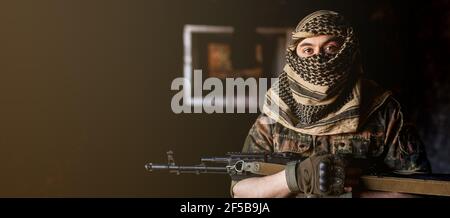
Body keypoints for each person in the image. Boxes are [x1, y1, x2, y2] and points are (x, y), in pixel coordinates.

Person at [231, 10, 431, 198]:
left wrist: (350, 196)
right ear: (294, 56)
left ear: (348, 53)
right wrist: (293, 179)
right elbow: (241, 189)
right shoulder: (277, 110)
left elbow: (420, 188)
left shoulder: (383, 110)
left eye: (331, 48)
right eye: (308, 49)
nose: (318, 58)